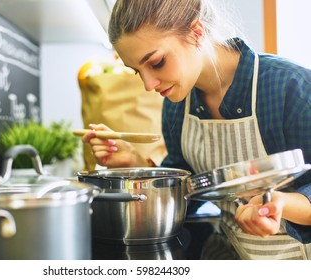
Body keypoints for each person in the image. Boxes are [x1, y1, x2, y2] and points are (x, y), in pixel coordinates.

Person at [81, 0, 311, 259]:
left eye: (156, 62)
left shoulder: (291, 87)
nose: (148, 84)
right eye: (137, 71)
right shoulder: (178, 106)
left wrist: (279, 203)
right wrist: (136, 163)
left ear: (196, 32)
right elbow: (189, 193)